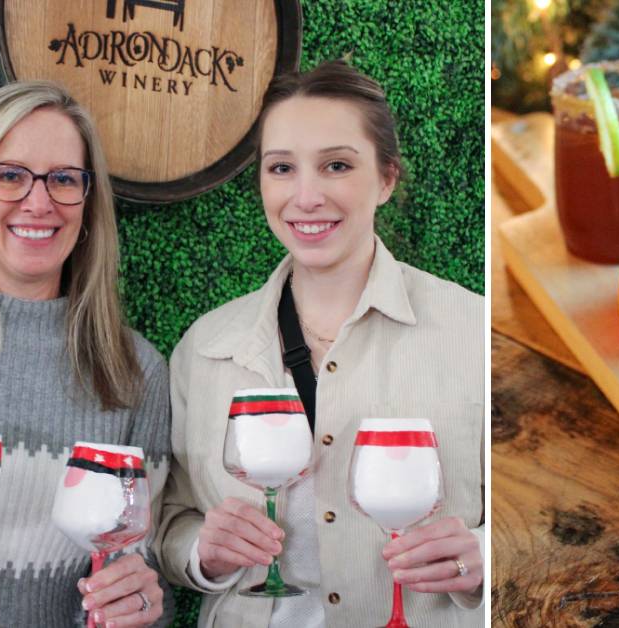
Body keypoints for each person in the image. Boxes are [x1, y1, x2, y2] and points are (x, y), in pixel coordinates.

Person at [155, 60, 484, 627]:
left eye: (336, 165)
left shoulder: (473, 332)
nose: (305, 197)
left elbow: (535, 514)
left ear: (386, 179)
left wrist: (488, 553)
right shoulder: (206, 347)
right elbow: (170, 521)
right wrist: (200, 554)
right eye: (281, 168)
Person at [0, 81, 173, 627]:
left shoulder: (135, 370)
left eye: (64, 179)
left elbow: (141, 578)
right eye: (10, 175)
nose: (38, 202)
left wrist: (144, 602)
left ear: (88, 203)